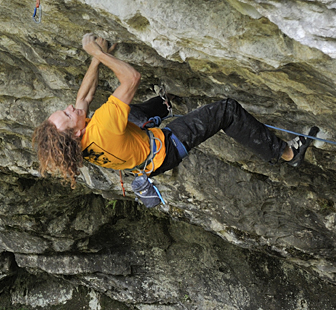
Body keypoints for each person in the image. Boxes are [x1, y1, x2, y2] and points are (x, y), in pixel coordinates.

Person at [33, 33, 318, 202]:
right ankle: (288, 154)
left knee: (128, 113)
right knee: (227, 111)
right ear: (77, 133)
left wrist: (97, 57)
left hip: (139, 156)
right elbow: (131, 78)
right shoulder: (102, 127)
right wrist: (96, 52)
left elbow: (83, 99)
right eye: (67, 116)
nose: (71, 108)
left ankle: (165, 105)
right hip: (164, 149)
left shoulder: (77, 144)